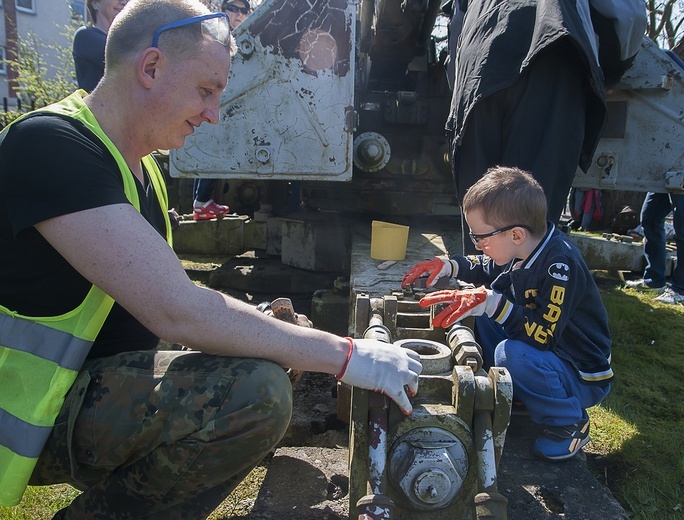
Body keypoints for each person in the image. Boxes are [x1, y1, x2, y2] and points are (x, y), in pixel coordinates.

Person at [0, 0, 422, 516]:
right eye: (206, 90)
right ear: (151, 67)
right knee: (255, 393)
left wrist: (268, 333)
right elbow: (175, 309)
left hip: (66, 394)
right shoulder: (49, 146)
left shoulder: (138, 169)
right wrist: (350, 356)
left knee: (271, 352)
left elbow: (152, 305)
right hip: (20, 410)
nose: (214, 113)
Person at [402, 166, 613, 461]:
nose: (477, 245)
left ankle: (569, 422)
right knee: (485, 312)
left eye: (481, 239)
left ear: (515, 234)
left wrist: (492, 303)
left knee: (511, 354)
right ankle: (519, 394)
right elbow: (489, 266)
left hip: (578, 372)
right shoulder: (524, 246)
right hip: (551, 355)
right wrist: (450, 265)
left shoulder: (559, 266)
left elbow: (543, 337)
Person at [442, 0, 647, 237]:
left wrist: (462, 89)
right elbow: (628, 16)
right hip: (550, 52)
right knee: (530, 215)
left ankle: (480, 273)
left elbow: (456, 26)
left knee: (480, 218)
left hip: (476, 67)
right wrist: (611, 71)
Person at [191, 0, 252, 221]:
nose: (237, 14)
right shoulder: (214, 33)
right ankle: (202, 201)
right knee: (214, 147)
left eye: (242, 10)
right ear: (223, 10)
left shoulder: (238, 37)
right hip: (215, 100)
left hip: (225, 101)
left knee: (213, 149)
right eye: (232, 8)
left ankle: (201, 201)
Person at [625, 192, 684, 305]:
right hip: (663, 174)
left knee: (682, 226)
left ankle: (680, 290)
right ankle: (654, 281)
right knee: (650, 218)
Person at [72, 0, 128, 92]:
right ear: (95, 3)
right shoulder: (85, 37)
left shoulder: (129, 41)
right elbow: (129, 63)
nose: (124, 2)